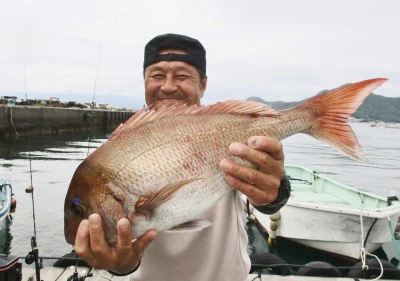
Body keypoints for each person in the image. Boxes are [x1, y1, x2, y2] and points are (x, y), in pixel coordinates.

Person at [74, 33, 291, 281]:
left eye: (181, 76)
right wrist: (120, 264)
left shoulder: (227, 132)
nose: (167, 86)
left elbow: (273, 191)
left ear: (203, 84)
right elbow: (120, 258)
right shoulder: (119, 149)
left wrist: (273, 193)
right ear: (144, 82)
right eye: (156, 75)